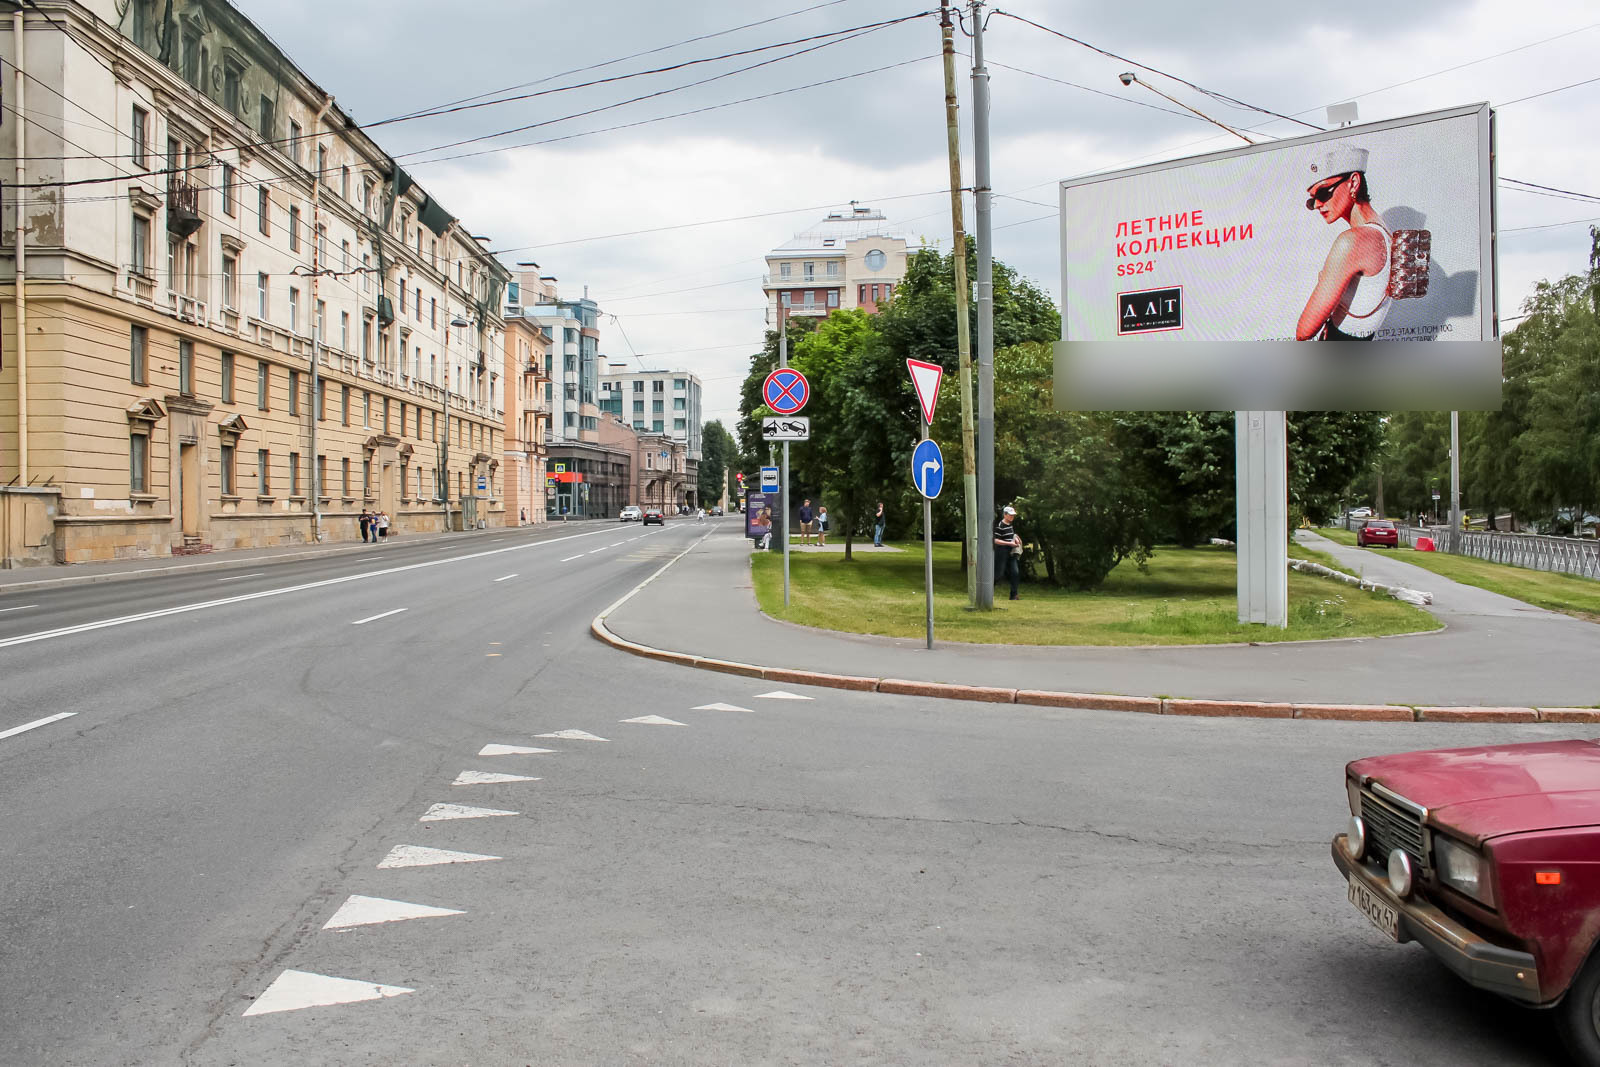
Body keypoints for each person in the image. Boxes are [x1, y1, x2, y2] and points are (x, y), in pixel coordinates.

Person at [1295, 145, 1392, 342]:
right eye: (1312, 200)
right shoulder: (1384, 231)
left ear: (1353, 182)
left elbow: (1304, 331)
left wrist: (1325, 281)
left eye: (1323, 193)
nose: (1318, 205)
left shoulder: (1352, 241)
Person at [993, 504, 1021, 601]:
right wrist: (1009, 543)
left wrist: (1016, 537)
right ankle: (986, 591)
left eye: (1013, 515)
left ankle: (1014, 595)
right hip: (1002, 551)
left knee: (1015, 573)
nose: (1012, 516)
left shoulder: (1010, 524)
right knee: (999, 574)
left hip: (1011, 552)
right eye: (1010, 515)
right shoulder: (1000, 526)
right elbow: (995, 540)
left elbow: (1011, 535)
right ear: (1005, 515)